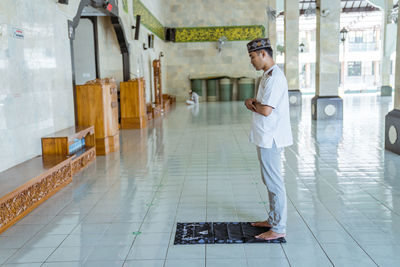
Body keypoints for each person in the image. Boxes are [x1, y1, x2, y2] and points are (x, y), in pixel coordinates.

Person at [244, 38, 293, 241]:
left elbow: (265, 109)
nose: (252, 61)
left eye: (253, 56)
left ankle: (279, 227)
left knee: (274, 182)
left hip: (271, 137)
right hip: (265, 135)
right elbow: (263, 104)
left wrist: (251, 104)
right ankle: (273, 219)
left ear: (264, 54)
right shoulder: (267, 75)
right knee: (269, 180)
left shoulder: (274, 78)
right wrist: (254, 102)